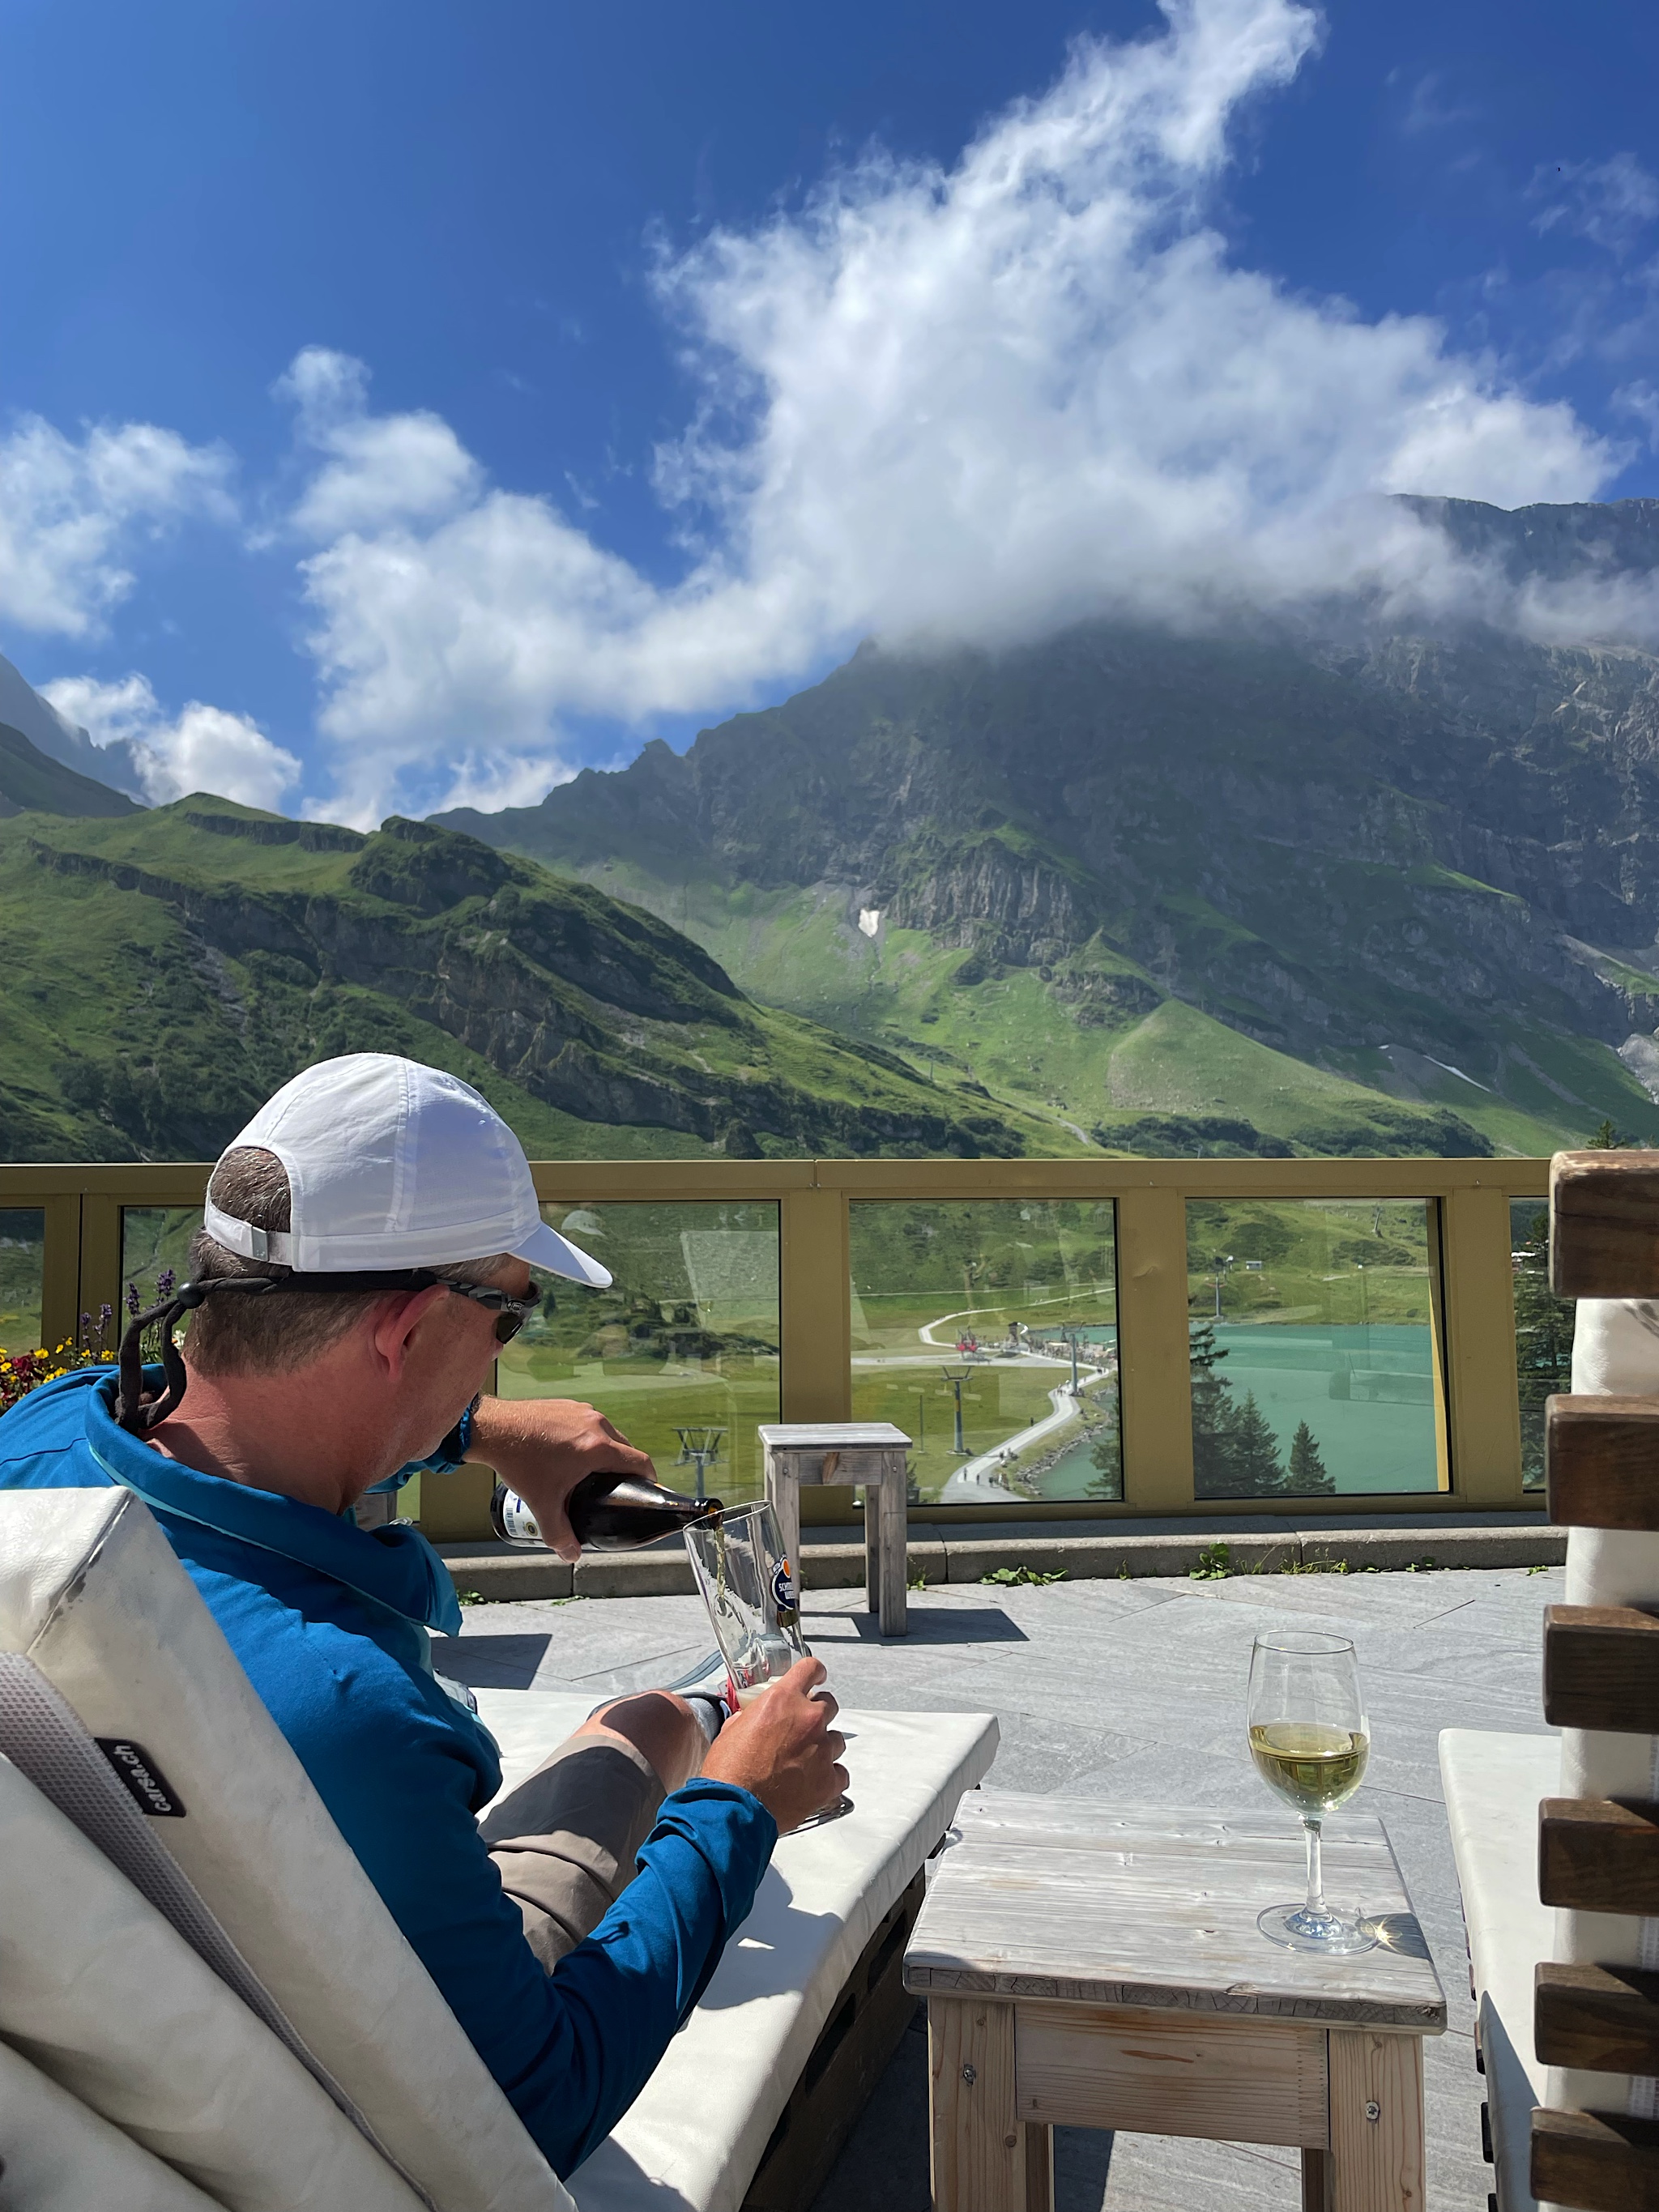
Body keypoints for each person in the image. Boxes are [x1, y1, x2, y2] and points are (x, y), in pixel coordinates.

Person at [0, 1054, 847, 2178]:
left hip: (188, 1978)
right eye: (504, 1322)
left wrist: (483, 1428)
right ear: (401, 1331)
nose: (505, 1356)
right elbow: (543, 2102)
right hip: (372, 2040)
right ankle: (722, 1728)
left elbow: (266, 1400)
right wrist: (744, 1812)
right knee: (656, 1731)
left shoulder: (38, 1445)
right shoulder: (344, 1707)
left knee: (651, 1727)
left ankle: (696, 1712)